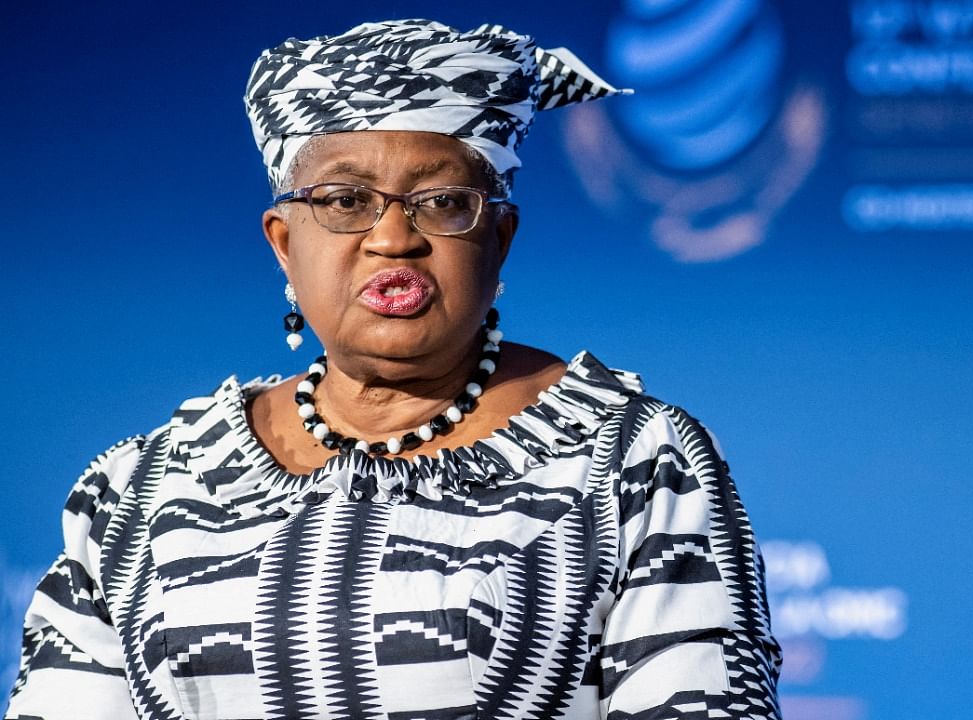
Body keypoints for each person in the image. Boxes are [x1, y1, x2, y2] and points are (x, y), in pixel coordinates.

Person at [5, 19, 781, 720]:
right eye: (345, 200)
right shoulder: (142, 489)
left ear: (499, 239)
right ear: (283, 241)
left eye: (442, 203)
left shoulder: (632, 463)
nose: (392, 238)